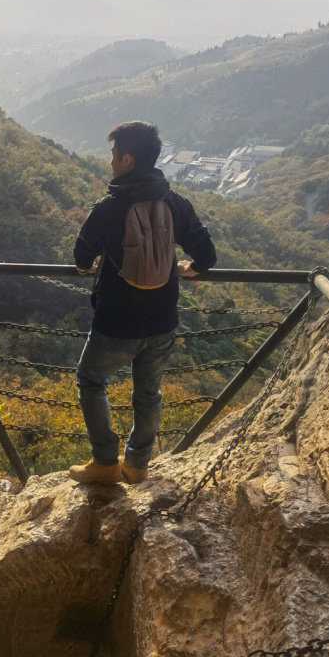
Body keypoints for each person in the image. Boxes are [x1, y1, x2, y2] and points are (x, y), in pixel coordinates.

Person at [68, 121, 216, 485]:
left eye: (114, 156)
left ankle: (104, 461)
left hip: (116, 323)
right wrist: (192, 268)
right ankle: (137, 464)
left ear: (129, 159)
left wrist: (92, 265)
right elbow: (207, 254)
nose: (111, 163)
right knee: (148, 392)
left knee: (90, 381)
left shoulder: (108, 208)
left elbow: (81, 257)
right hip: (162, 320)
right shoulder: (175, 203)